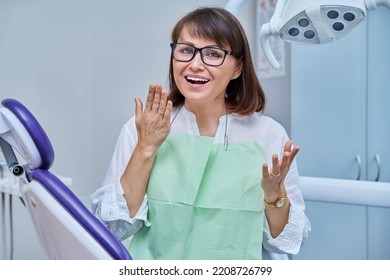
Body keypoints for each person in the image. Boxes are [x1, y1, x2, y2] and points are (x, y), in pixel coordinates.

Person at [91, 6, 310, 260]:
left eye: (213, 54)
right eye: (185, 51)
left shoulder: (268, 134)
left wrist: (275, 196)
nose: (195, 65)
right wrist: (146, 148)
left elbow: (289, 242)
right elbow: (111, 227)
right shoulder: (142, 127)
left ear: (237, 68)